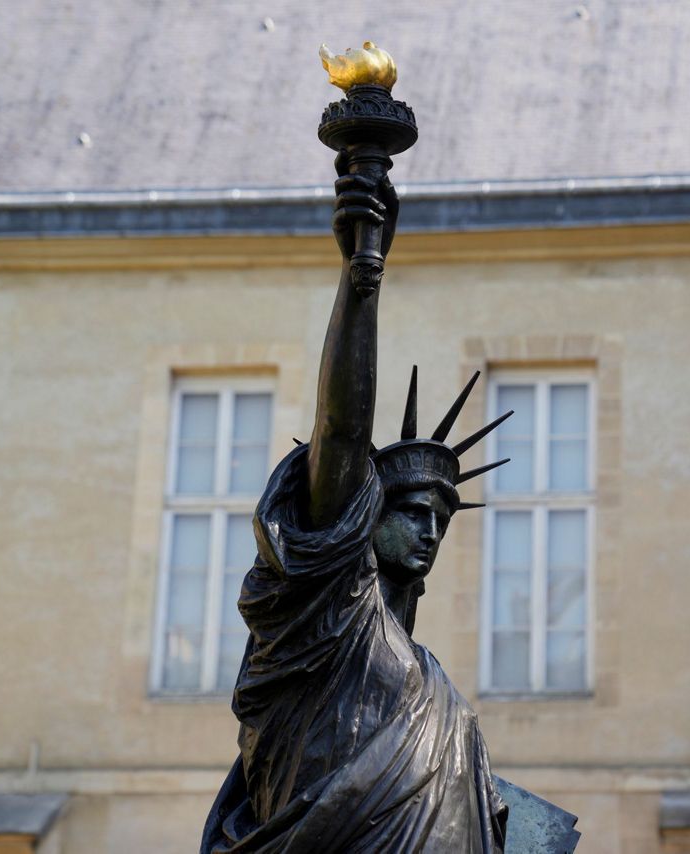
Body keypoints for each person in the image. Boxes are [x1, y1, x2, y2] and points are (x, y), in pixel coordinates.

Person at [201, 159, 511, 853]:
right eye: (413, 512)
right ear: (361, 519)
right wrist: (362, 276)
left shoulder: (437, 697)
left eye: (443, 517)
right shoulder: (327, 615)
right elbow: (341, 428)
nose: (431, 529)